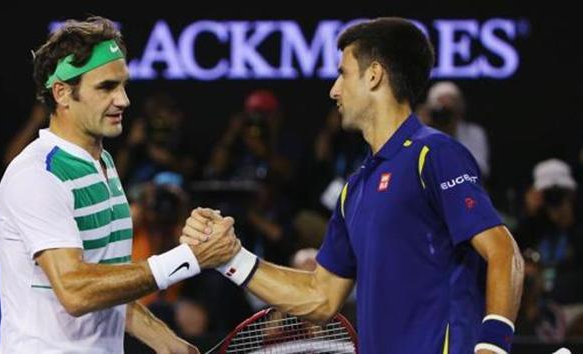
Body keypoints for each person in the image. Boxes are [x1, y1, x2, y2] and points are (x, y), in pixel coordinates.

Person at [183, 18, 524, 354]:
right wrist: (231, 257)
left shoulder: (434, 154)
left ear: (374, 75)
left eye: (343, 73)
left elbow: (503, 252)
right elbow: (320, 297)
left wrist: (492, 346)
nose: (333, 89)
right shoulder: (356, 187)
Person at [0, 16, 239, 354]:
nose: (123, 100)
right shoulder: (37, 175)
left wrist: (167, 342)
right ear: (62, 92)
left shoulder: (102, 163)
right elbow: (77, 292)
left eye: (123, 85)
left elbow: (108, 286)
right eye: (106, 87)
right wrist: (189, 258)